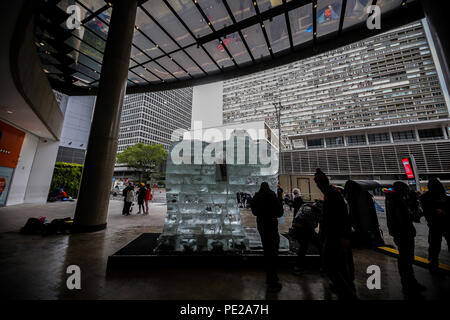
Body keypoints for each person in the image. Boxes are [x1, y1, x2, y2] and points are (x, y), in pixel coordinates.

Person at [314, 168, 357, 300]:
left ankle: (347, 292)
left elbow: (342, 216)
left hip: (336, 235)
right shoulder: (331, 194)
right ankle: (346, 287)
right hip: (335, 234)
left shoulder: (332, 194)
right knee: (340, 263)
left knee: (331, 264)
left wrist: (344, 236)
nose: (317, 186)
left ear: (322, 183)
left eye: (318, 183)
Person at [385, 181, 426, 296]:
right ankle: (410, 285)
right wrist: (417, 213)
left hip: (397, 233)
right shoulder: (398, 201)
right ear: (401, 190)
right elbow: (404, 218)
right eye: (406, 189)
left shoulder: (390, 199)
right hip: (404, 234)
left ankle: (408, 284)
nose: (407, 192)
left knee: (404, 260)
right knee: (407, 260)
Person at [251, 182, 284, 292]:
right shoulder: (272, 195)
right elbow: (279, 212)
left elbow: (254, 212)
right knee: (273, 251)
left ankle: (269, 277)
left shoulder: (256, 196)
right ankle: (273, 279)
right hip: (271, 224)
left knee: (266, 249)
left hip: (261, 225)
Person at [420, 178, 450, 274]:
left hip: (434, 224)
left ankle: (433, 266)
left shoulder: (425, 197)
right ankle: (433, 266)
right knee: (435, 246)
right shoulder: (443, 196)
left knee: (434, 247)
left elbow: (426, 211)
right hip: (443, 224)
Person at [291, 199, 322, 274]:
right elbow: (314, 224)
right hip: (306, 229)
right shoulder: (317, 211)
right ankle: (324, 266)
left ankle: (298, 267)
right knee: (320, 246)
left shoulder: (305, 205)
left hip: (297, 228)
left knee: (303, 247)